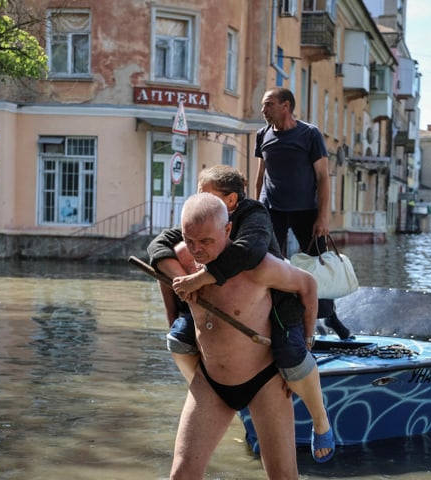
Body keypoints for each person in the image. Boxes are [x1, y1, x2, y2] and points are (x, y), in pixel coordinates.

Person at [147, 165, 334, 462]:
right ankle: (213, 391)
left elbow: (250, 250)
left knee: (292, 357)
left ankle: (320, 420)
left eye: (206, 194)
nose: (200, 200)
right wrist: (178, 282)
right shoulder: (197, 230)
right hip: (213, 377)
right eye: (198, 195)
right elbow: (158, 249)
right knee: (178, 339)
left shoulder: (255, 216)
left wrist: (201, 277)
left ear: (230, 204)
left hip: (276, 307)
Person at [169, 192, 314, 479]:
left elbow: (307, 285)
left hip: (263, 381)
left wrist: (306, 346)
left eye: (206, 242)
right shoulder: (183, 257)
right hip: (210, 381)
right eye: (190, 239)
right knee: (181, 475)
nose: (197, 250)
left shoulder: (259, 268)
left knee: (283, 476)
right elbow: (165, 269)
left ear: (227, 230)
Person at [255, 87, 350, 339]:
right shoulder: (262, 134)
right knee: (271, 265)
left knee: (319, 264)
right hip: (273, 210)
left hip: (306, 212)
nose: (263, 110)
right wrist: (256, 210)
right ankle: (279, 319)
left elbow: (323, 178)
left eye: (268, 104)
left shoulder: (309, 134)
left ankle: (330, 317)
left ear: (286, 105)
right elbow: (260, 176)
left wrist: (323, 217)